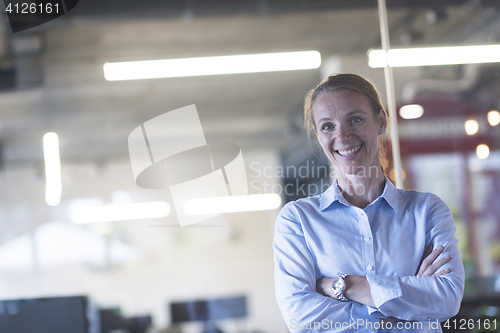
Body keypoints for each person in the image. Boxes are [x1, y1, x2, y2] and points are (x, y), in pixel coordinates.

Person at [273, 73, 464, 332]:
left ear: (381, 121)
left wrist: (345, 286)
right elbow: (302, 318)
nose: (343, 135)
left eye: (355, 119)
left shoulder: (426, 211)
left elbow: (447, 298)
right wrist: (406, 309)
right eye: (328, 126)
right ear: (318, 136)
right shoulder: (297, 220)